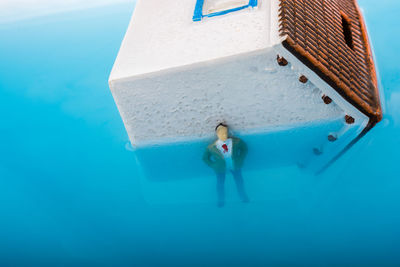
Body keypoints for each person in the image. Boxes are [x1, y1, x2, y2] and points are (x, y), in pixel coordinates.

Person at [203, 123, 249, 207]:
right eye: (221, 133)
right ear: (217, 134)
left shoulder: (236, 142)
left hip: (235, 165)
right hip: (220, 168)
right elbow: (205, 158)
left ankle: (243, 196)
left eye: (225, 133)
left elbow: (244, 148)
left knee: (239, 181)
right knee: (220, 184)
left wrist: (241, 158)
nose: (224, 135)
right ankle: (221, 200)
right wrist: (213, 165)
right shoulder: (211, 147)